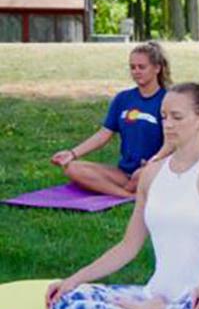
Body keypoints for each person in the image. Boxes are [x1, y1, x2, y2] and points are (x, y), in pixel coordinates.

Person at [45, 83, 199, 309]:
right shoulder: (151, 174)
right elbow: (128, 246)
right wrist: (73, 280)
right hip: (156, 292)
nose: (167, 124)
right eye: (164, 117)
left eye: (177, 117)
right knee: (64, 302)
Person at [50, 42, 172, 197]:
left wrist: (152, 164)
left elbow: (173, 142)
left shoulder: (168, 100)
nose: (136, 71)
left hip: (155, 169)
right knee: (72, 168)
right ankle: (127, 195)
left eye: (142, 67)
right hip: (123, 173)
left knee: (141, 177)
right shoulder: (123, 99)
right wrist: (72, 153)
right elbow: (103, 135)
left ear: (157, 68)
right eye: (132, 67)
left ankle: (131, 188)